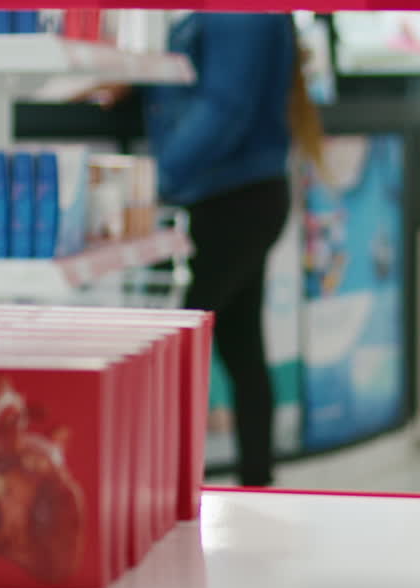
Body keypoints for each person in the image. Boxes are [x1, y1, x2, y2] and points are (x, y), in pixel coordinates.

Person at [108, 12, 324, 487]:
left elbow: (226, 106)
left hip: (227, 198)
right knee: (240, 346)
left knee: (173, 347)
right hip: (239, 194)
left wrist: (160, 179)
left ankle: (166, 492)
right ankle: (256, 484)